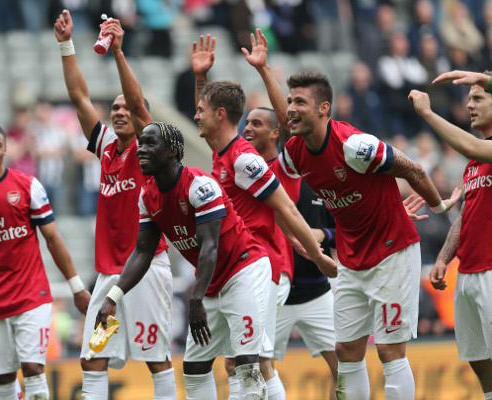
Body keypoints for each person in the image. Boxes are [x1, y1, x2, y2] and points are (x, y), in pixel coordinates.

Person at [264, 66, 460, 399]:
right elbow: (282, 132)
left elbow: (412, 168)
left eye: (300, 101)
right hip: (352, 259)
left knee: (389, 351)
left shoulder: (355, 146)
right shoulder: (296, 152)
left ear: (324, 108)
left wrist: (440, 206)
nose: (291, 108)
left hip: (392, 251)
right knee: (346, 350)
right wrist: (263, 69)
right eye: (290, 101)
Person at [191, 30, 338, 400]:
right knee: (244, 362)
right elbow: (210, 122)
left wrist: (263, 70)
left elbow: (286, 206)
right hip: (240, 267)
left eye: (259, 123)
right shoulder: (225, 156)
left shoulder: (276, 165)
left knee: (251, 361)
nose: (249, 127)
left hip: (265, 266)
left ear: (276, 132)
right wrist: (201, 80)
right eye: (247, 122)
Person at [96, 121, 272, 399]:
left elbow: (209, 247)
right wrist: (113, 297)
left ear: (172, 152)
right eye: (140, 143)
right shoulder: (148, 195)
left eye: (150, 144)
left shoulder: (200, 185)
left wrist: (195, 299)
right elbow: (143, 252)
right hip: (212, 281)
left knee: (246, 365)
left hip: (243, 270)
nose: (141, 149)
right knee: (194, 367)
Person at [54, 10, 176, 399]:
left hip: (146, 270)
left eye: (125, 109)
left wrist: (119, 54)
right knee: (93, 356)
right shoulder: (106, 145)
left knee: (156, 357)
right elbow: (78, 96)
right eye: (115, 109)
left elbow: (141, 107)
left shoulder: (149, 147)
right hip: (110, 275)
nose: (120, 112)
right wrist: (66, 45)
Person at [0, 122, 90, 399]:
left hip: (30, 295)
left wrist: (76, 287)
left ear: (6, 149)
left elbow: (53, 239)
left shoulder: (27, 186)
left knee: (33, 367)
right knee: (2, 378)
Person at [409, 69, 492, 399]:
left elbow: (469, 146)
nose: (469, 104)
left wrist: (428, 113)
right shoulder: (474, 165)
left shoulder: (477, 152)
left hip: (491, 270)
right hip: (469, 272)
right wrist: (445, 257)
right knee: (478, 357)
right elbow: (467, 214)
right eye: (468, 98)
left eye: (478, 97)